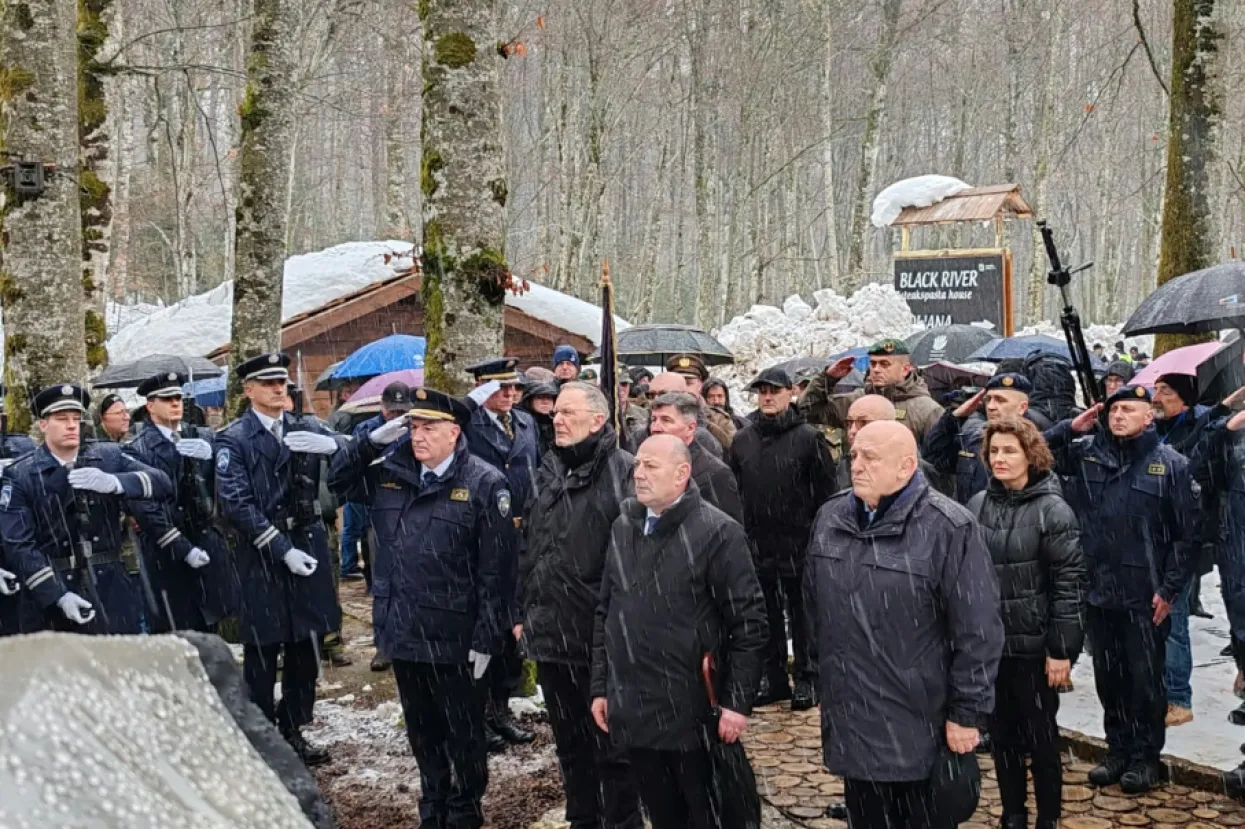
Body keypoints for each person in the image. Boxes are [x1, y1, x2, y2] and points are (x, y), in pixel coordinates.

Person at [330, 386, 514, 828]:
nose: (418, 436)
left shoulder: (484, 482)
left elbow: (499, 570)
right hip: (405, 629)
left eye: (429, 427)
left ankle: (465, 806)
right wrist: (368, 442)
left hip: (457, 635)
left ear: (454, 432)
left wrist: (489, 635)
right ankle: (433, 803)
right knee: (422, 730)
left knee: (464, 732)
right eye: (413, 426)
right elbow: (335, 483)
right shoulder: (390, 474)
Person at [805, 420, 1003, 829]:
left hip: (920, 720)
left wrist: (967, 713)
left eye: (870, 458)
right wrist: (823, 681)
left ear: (906, 466)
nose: (856, 465)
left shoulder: (949, 527)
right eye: (854, 454)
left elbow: (978, 630)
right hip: (854, 716)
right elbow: (815, 609)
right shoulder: (830, 518)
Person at [590, 434, 767, 829]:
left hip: (692, 711)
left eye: (651, 466)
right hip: (636, 707)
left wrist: (737, 703)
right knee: (662, 812)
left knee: (706, 816)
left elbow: (749, 623)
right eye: (637, 465)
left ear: (682, 473)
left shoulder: (718, 533)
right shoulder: (624, 526)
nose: (639, 474)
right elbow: (608, 612)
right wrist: (601, 686)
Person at [1045, 385, 1200, 793]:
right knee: (1107, 678)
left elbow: (1187, 538)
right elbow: (1036, 454)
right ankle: (1117, 749)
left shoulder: (1170, 465)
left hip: (1144, 594)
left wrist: (1169, 590)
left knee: (1144, 681)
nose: (1118, 417)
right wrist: (1068, 428)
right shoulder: (1087, 455)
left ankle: (1145, 757)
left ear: (1150, 416)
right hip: (1098, 590)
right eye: (1114, 410)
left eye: (1129, 410)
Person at [520, 381, 644, 829]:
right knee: (570, 747)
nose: (558, 418)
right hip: (553, 636)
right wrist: (525, 611)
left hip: (602, 642)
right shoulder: (549, 471)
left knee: (613, 751)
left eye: (569, 412)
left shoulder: (626, 475)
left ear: (598, 420)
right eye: (555, 412)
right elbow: (532, 546)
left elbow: (635, 567)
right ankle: (582, 820)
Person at [214, 353, 344, 766]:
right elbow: (235, 502)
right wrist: (279, 548)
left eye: (281, 382)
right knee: (264, 647)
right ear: (248, 390)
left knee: (306, 643)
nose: (278, 388)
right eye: (267, 383)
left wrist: (337, 445)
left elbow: (347, 459)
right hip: (263, 554)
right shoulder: (233, 439)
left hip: (305, 542)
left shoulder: (305, 427)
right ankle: (262, 733)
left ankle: (293, 726)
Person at [967, 418, 1085, 829]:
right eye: (994, 451)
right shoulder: (978, 504)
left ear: (1030, 455)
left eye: (1009, 451)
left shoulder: (1053, 510)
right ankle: (1012, 813)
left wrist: (1061, 649)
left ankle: (1048, 818)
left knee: (1041, 739)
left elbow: (1068, 584)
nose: (1000, 458)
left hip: (1035, 649)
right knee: (1003, 738)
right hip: (992, 646)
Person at [0, 383, 172, 636]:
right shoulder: (21, 474)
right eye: (61, 419)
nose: (71, 425)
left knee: (117, 667)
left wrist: (116, 482)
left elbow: (162, 482)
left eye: (76, 419)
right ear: (43, 425)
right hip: (53, 587)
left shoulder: (108, 456)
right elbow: (18, 544)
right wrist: (57, 595)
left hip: (110, 585)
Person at [730, 367, 836, 711]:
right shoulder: (742, 440)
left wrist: (821, 540)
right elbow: (737, 490)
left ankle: (808, 677)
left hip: (800, 543)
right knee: (766, 615)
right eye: (762, 391)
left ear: (791, 392)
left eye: (774, 390)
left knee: (803, 614)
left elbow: (826, 494)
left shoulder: (808, 438)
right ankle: (774, 678)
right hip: (757, 543)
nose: (768, 397)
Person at [464, 357, 539, 751]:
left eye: (514, 388)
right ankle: (478, 712)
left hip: (521, 537)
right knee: (486, 623)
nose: (510, 395)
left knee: (514, 625)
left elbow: (534, 474)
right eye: (500, 388)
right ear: (481, 387)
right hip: (484, 537)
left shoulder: (525, 424)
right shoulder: (467, 424)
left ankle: (502, 707)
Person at [125, 372, 237, 633]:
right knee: (175, 632)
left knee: (210, 630)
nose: (176, 403)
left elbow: (224, 483)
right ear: (150, 406)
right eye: (167, 399)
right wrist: (182, 547)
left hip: (206, 540)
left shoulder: (201, 437)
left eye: (178, 397)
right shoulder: (138, 449)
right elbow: (145, 507)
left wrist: (209, 457)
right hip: (167, 553)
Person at [1150, 372, 1219, 726]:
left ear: (1185, 400)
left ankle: (1179, 698)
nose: (1156, 396)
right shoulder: (1149, 431)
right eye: (1156, 389)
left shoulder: (1200, 431)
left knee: (1173, 620)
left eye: (1165, 391)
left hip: (1182, 540)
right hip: (1148, 541)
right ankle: (1155, 693)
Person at [800, 338, 944, 445]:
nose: (876, 369)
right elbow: (808, 411)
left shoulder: (927, 410)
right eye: (873, 363)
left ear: (905, 369)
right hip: (858, 480)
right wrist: (827, 379)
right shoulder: (857, 401)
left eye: (884, 364)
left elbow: (936, 461)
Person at [924, 373, 1037, 504]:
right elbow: (933, 458)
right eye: (988, 399)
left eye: (1000, 400)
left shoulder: (1034, 444)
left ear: (1022, 407)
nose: (991, 406)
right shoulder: (973, 437)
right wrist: (953, 419)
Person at [647, 392, 744, 523]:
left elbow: (730, 532)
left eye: (666, 420)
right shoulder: (642, 465)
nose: (655, 428)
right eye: (654, 420)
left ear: (690, 428)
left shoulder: (715, 473)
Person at [666, 354, 736, 450]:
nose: (683, 389)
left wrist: (706, 424)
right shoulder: (656, 417)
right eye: (678, 383)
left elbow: (733, 450)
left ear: (699, 385)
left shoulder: (719, 419)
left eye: (688, 383)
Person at [519, 380, 558, 458]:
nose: (545, 401)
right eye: (540, 397)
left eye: (549, 397)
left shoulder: (559, 423)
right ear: (529, 400)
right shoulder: (520, 424)